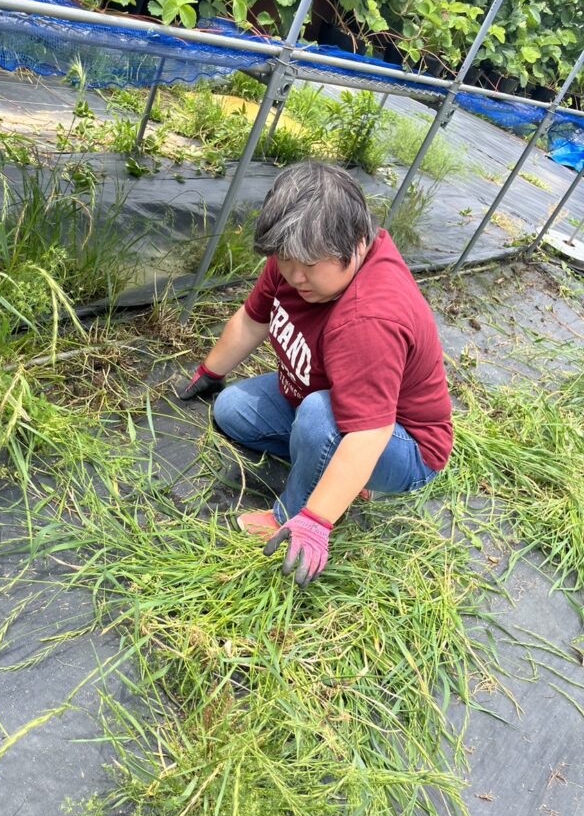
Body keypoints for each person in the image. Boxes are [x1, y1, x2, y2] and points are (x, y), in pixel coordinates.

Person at [178, 161, 453, 589]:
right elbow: (253, 321)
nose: (294, 276)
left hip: (401, 443)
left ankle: (287, 516)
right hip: (326, 400)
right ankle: (338, 473)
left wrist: (316, 520)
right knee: (232, 410)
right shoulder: (295, 261)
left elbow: (368, 433)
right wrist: (209, 372)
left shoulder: (369, 319)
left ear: (357, 243)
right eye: (285, 260)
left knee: (321, 419)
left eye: (308, 264)